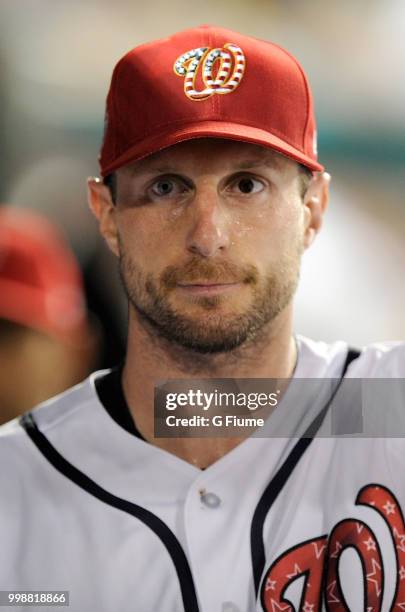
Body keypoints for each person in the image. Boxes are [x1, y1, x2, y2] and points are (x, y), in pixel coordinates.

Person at [0, 25, 404, 612]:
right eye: (167, 188)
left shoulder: (385, 410)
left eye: (247, 184)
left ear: (313, 208)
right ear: (107, 215)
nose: (207, 236)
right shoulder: (14, 485)